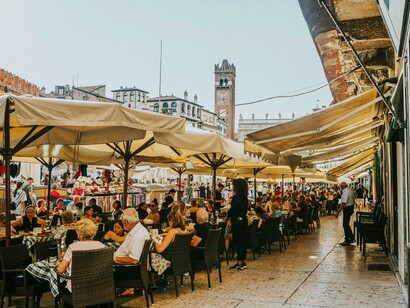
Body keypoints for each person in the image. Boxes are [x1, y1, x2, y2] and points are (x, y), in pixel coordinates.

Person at [58, 219, 105, 293]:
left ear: (78, 233)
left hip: (78, 287)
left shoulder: (73, 247)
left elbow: (61, 270)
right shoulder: (101, 245)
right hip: (98, 285)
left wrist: (64, 258)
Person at [114, 208, 150, 296]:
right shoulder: (138, 230)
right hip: (131, 269)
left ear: (125, 222)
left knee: (98, 272)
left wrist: (114, 259)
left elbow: (134, 260)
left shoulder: (137, 236)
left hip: (130, 272)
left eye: (122, 221)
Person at [228, 178, 248, 270]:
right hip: (243, 221)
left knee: (238, 241)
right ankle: (243, 261)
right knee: (243, 241)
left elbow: (233, 210)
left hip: (237, 221)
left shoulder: (235, 198)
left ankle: (239, 263)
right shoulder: (245, 197)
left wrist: (228, 217)